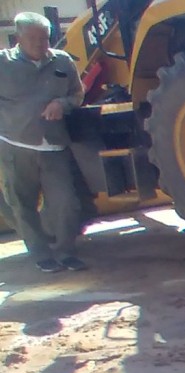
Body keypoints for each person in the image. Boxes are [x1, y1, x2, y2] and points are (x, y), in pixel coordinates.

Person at [0, 12, 85, 273]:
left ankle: (66, 252)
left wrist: (62, 103)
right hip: (16, 145)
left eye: (45, 38)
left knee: (66, 203)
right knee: (22, 204)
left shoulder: (62, 61)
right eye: (34, 38)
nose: (40, 44)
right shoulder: (3, 63)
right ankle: (40, 254)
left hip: (54, 146)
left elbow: (77, 94)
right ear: (19, 38)